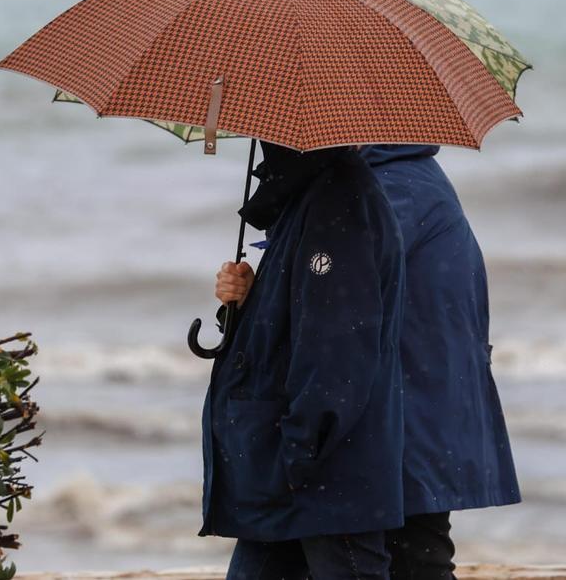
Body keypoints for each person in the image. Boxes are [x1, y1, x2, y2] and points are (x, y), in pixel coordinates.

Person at [217, 144, 520, 579]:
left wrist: (258, 293)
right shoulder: (399, 178)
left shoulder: (375, 189)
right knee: (411, 557)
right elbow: (320, 287)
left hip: (396, 414)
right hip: (405, 408)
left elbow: (331, 293)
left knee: (415, 559)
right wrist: (252, 291)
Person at [201, 142, 406, 580]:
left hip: (326, 470)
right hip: (296, 466)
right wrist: (247, 299)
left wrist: (301, 450)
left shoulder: (339, 197)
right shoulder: (309, 191)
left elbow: (337, 347)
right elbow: (299, 320)